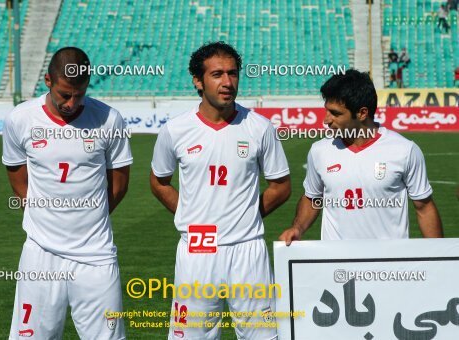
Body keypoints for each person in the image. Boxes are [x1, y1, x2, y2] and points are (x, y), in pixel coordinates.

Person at [150, 41, 291, 340]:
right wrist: (190, 214)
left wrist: (246, 216)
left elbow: (281, 186)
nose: (228, 82)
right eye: (217, 74)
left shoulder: (260, 127)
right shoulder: (175, 130)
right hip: (197, 251)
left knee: (263, 336)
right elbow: (158, 181)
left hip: (248, 249)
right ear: (198, 81)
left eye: (233, 73)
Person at [3, 47, 132, 339]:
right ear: (48, 81)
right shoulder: (20, 119)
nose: (72, 103)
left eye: (80, 94)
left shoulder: (109, 120)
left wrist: (89, 216)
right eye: (65, 95)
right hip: (40, 255)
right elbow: (17, 178)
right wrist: (45, 216)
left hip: (96, 255)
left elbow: (120, 183)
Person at [279, 69, 443, 244]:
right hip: (336, 265)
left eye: (335, 113)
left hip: (389, 266)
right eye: (326, 111)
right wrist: (298, 227)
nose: (326, 120)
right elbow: (312, 198)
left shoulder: (404, 150)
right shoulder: (319, 151)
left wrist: (439, 257)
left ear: (362, 113)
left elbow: (424, 208)